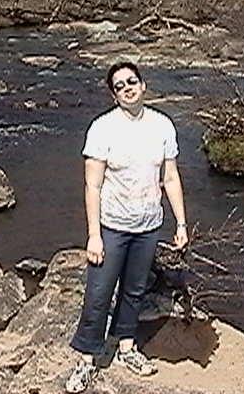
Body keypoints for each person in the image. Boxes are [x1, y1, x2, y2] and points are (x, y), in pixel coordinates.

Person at [65, 62, 188, 393]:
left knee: (134, 290)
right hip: (112, 226)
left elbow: (170, 177)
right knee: (99, 293)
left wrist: (180, 222)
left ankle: (126, 348)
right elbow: (92, 186)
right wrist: (94, 235)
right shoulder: (102, 128)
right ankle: (87, 359)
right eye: (119, 86)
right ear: (113, 94)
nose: (127, 88)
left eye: (132, 81)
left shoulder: (162, 125)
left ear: (143, 85)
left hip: (148, 225)